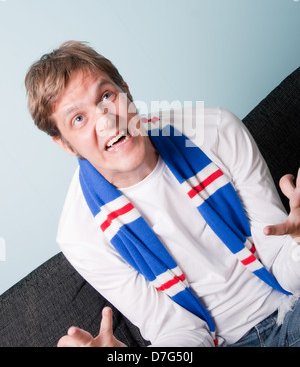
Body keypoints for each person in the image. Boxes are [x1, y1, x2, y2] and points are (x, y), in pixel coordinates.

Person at [24, 41, 300, 348]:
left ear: (126, 92)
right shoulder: (80, 235)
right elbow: (178, 331)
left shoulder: (216, 130)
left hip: (289, 306)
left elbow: (282, 266)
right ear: (64, 144)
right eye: (78, 119)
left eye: (106, 96)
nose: (106, 121)